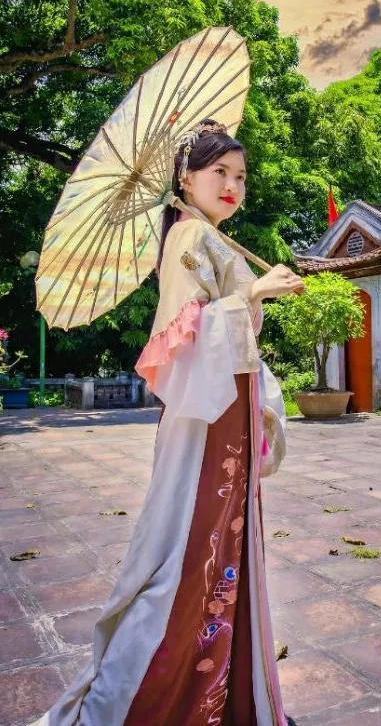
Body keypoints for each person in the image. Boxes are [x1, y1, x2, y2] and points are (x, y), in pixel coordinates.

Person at [30, 120, 304, 726]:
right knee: (194, 544)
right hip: (207, 419)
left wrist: (253, 294)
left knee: (219, 540)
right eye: (219, 173)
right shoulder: (189, 239)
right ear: (186, 179)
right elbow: (184, 338)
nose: (233, 185)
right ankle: (165, 695)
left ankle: (222, 689)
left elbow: (221, 325)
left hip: (224, 410)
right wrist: (254, 291)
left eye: (240, 176)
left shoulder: (210, 238)